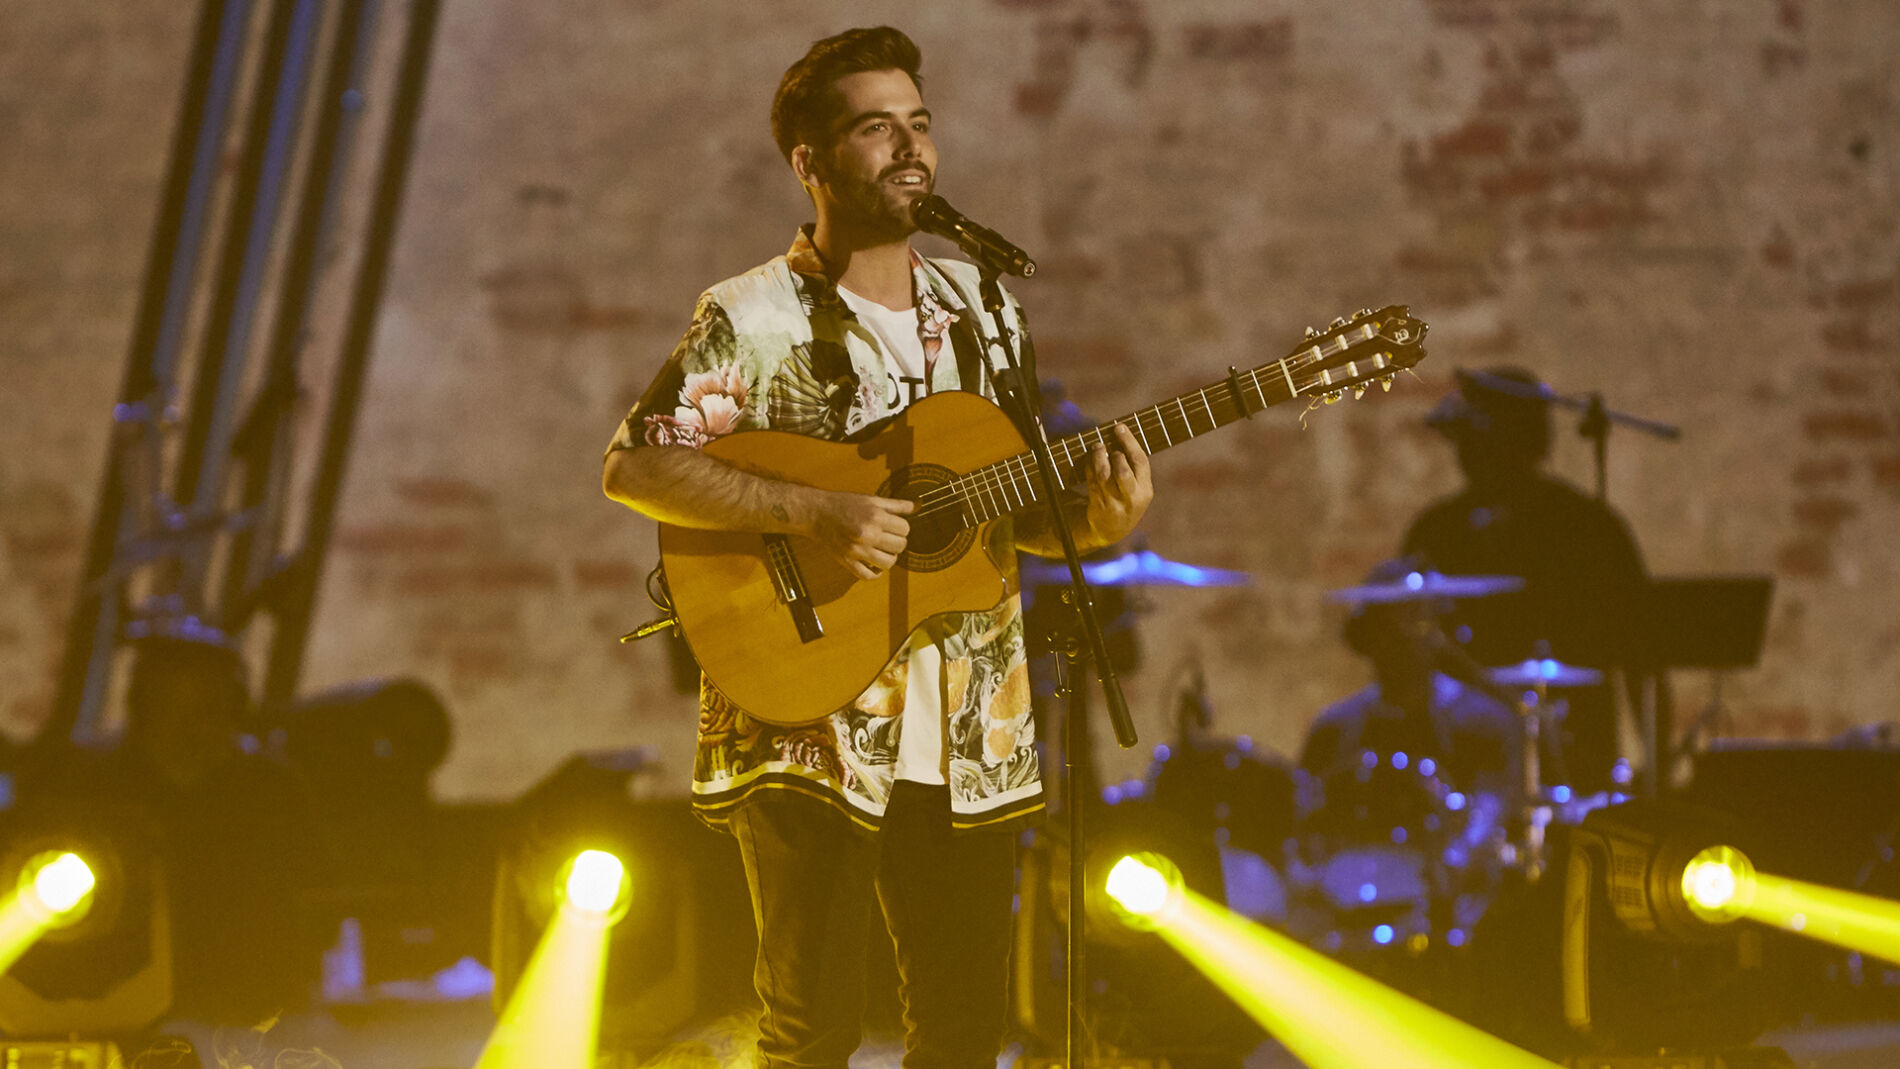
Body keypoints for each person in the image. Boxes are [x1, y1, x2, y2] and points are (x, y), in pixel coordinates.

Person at [601, 27, 1152, 1069]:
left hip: (970, 725)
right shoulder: (750, 316)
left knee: (962, 1032)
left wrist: (1095, 523)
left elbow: (1001, 510)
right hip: (809, 711)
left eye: (920, 124)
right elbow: (636, 467)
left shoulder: (982, 306)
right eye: (873, 128)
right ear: (809, 162)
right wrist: (817, 513)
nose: (909, 149)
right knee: (813, 1031)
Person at [1401, 367, 1648, 791]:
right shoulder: (1437, 531)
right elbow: (1403, 649)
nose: (1464, 454)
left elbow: (1643, 654)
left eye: (1474, 439)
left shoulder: (1589, 528)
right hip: (1459, 765)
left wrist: (1657, 764)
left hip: (1575, 761)